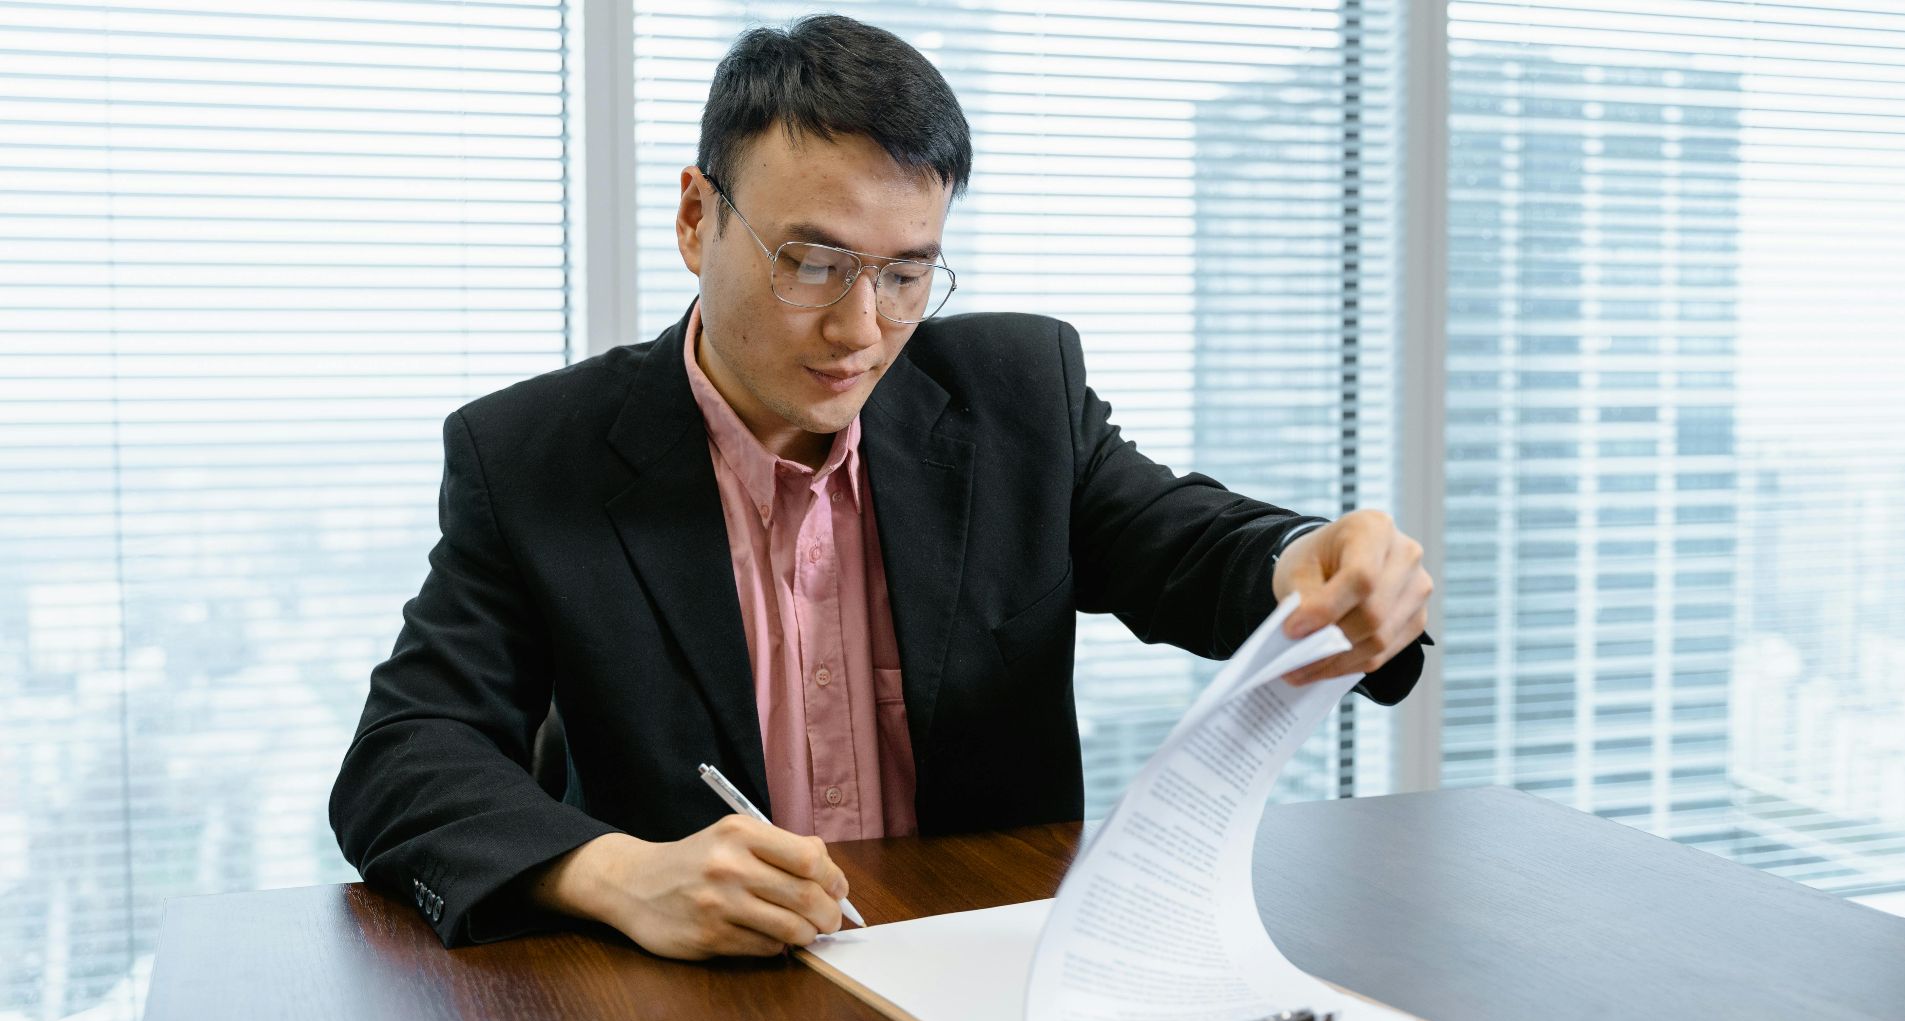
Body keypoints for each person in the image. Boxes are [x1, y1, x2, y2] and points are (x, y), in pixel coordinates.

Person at [330, 14, 1432, 960]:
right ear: (693, 218)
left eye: (907, 273)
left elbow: (1184, 542)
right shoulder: (534, 456)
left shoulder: (1016, 397)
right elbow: (403, 758)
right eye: (812, 262)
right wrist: (619, 876)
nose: (861, 330)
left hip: (993, 981)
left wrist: (1307, 558)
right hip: (693, 1011)